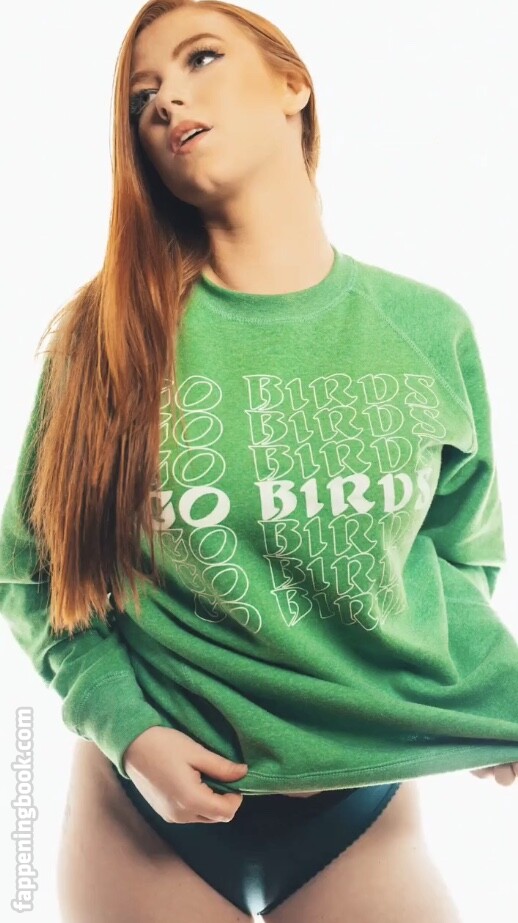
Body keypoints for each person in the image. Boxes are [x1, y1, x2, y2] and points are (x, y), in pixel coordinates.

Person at [1, 1, 517, 920]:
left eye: (200, 58)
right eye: (142, 99)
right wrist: (129, 731)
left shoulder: (429, 327)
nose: (167, 101)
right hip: (144, 809)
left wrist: (476, 702)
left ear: (293, 85)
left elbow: (454, 564)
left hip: (365, 803)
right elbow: (34, 574)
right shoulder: (104, 338)